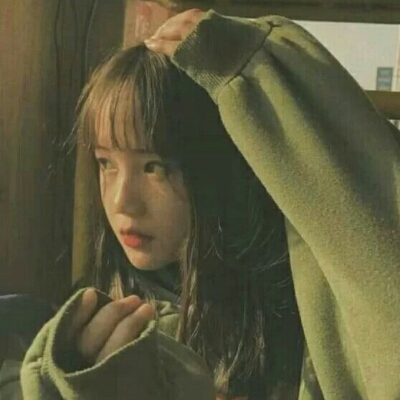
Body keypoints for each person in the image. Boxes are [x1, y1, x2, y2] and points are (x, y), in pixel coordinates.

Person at [15, 8, 400, 400]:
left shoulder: (302, 327)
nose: (121, 202)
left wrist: (260, 73)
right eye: (106, 164)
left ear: (220, 169)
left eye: (154, 167)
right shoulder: (85, 332)